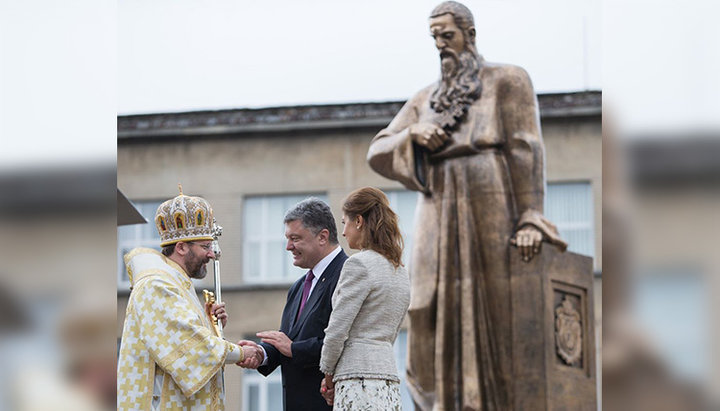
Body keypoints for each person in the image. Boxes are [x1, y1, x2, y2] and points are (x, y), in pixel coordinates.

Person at [366, 2, 567, 409]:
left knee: (495, 301)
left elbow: (527, 148)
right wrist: (414, 135)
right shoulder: (425, 99)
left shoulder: (507, 80)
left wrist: (530, 216)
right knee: (425, 303)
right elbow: (378, 149)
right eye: (435, 38)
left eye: (448, 35)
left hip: (490, 196)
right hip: (437, 202)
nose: (442, 45)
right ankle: (436, 401)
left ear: (469, 34)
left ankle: (496, 401)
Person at [117, 189, 262, 410]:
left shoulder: (176, 283)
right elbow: (190, 346)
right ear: (181, 247)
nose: (212, 254)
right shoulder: (156, 285)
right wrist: (242, 352)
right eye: (205, 247)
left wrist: (211, 325)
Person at [242, 197, 348, 411]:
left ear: (322, 237)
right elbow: (287, 342)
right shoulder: (299, 287)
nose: (288, 247)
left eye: (295, 238)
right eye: (287, 239)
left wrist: (293, 348)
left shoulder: (348, 274)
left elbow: (347, 344)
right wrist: (261, 354)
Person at [318, 187, 410, 410]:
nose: (343, 232)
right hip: (387, 379)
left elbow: (338, 328)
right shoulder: (399, 270)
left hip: (356, 378)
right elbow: (393, 330)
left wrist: (327, 372)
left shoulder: (358, 264)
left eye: (344, 223)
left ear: (358, 221)